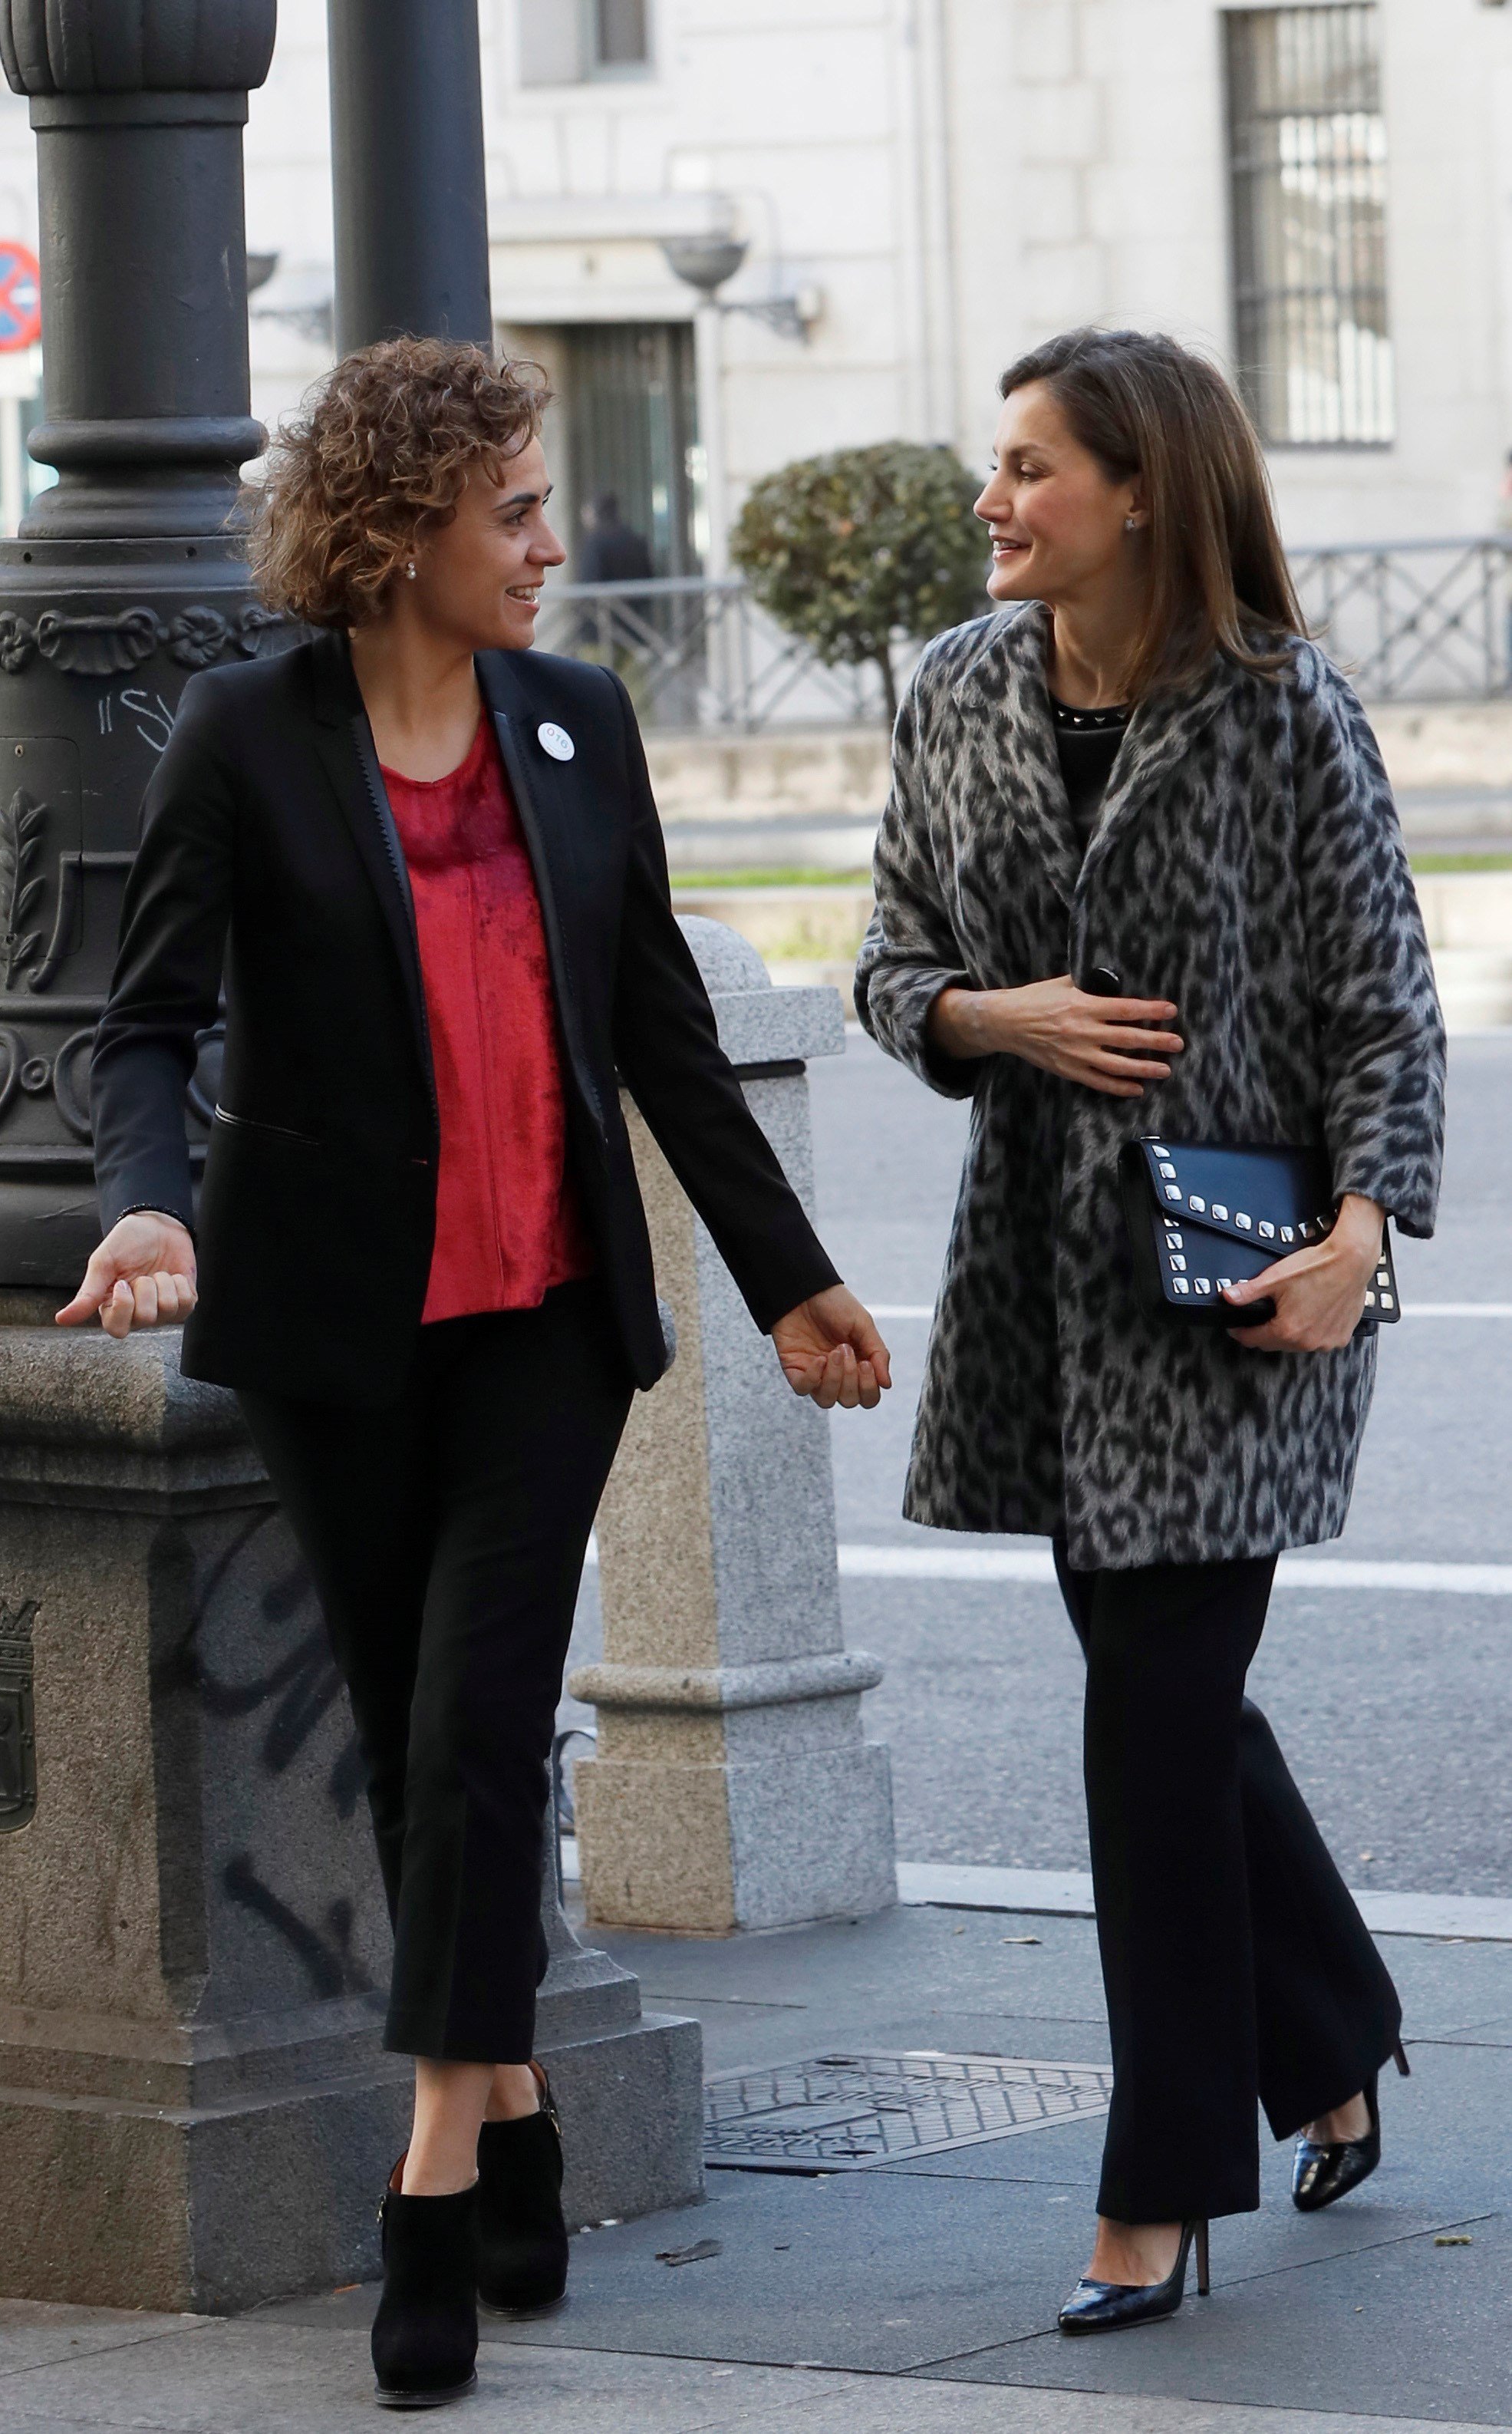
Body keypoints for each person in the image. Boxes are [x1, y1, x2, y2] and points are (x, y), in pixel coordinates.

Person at [58, 337, 891, 2409]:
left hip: (543, 1321)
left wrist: (788, 1281)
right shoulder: (249, 741)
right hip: (334, 1328)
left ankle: (426, 2180)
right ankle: (511, 2091)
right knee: (434, 1733)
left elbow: (663, 1038)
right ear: (402, 522)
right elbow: (144, 1022)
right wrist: (144, 1207)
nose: (549, 543)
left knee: (469, 1725)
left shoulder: (578, 725)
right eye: (512, 508)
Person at [856, 325, 1444, 2336]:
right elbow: (889, 963)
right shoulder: (951, 688)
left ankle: (1157, 2179)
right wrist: (988, 1014)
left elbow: (1382, 1007)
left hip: (1241, 1276)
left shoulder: (1284, 714)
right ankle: (1341, 2020)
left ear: (1141, 494)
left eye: (1030, 468)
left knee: (1143, 1721)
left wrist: (1363, 1233)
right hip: (1040, 1281)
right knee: (1167, 1696)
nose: (992, 499)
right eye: (994, 464)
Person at [575, 490, 655, 585]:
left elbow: (589, 581)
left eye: (587, 512)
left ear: (595, 513)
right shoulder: (635, 538)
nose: (584, 518)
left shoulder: (595, 542)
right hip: (639, 598)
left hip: (609, 598)